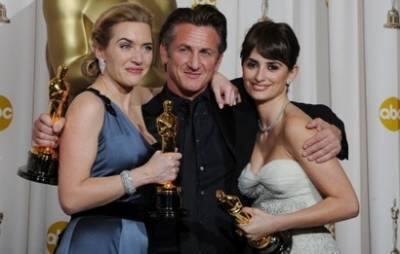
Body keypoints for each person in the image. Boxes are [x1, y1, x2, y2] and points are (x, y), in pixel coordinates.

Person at [33, 5, 348, 254]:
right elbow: (88, 171)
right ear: (165, 54)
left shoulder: (240, 103)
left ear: (219, 59)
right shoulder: (138, 112)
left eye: (206, 53)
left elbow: (295, 113)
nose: (195, 63)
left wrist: (334, 130)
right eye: (184, 50)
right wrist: (51, 138)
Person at [53, 4, 183, 254]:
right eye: (125, 46)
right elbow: (70, 198)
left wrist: (217, 79)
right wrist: (145, 174)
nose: (139, 58)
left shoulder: (142, 99)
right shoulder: (89, 105)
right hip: (98, 241)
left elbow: (188, 85)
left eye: (146, 47)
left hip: (137, 239)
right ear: (100, 49)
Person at [236, 21, 359, 253]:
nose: (260, 76)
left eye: (273, 67)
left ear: (292, 73)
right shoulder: (257, 127)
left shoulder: (297, 126)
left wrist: (274, 223)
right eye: (252, 64)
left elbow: (348, 204)